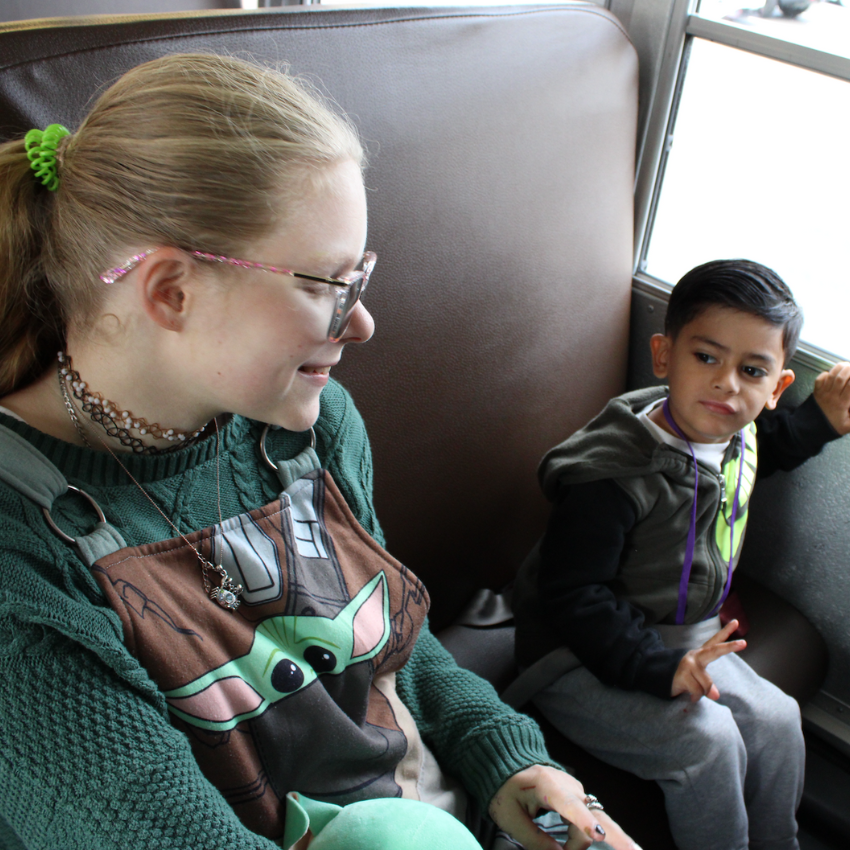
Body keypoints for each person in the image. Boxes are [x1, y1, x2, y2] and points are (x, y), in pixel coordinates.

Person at [0, 54, 638, 850]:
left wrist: (507, 760)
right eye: (327, 285)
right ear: (171, 292)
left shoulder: (306, 428)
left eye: (358, 278)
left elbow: (384, 640)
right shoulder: (21, 560)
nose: (361, 324)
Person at [512, 259, 850, 850]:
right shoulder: (612, 477)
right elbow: (572, 596)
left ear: (776, 389)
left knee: (778, 720)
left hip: (682, 635)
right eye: (706, 357)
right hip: (575, 658)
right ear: (664, 355)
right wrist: (657, 668)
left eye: (751, 371)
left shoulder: (735, 434)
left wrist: (821, 419)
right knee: (709, 742)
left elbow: (766, 450)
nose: (727, 384)